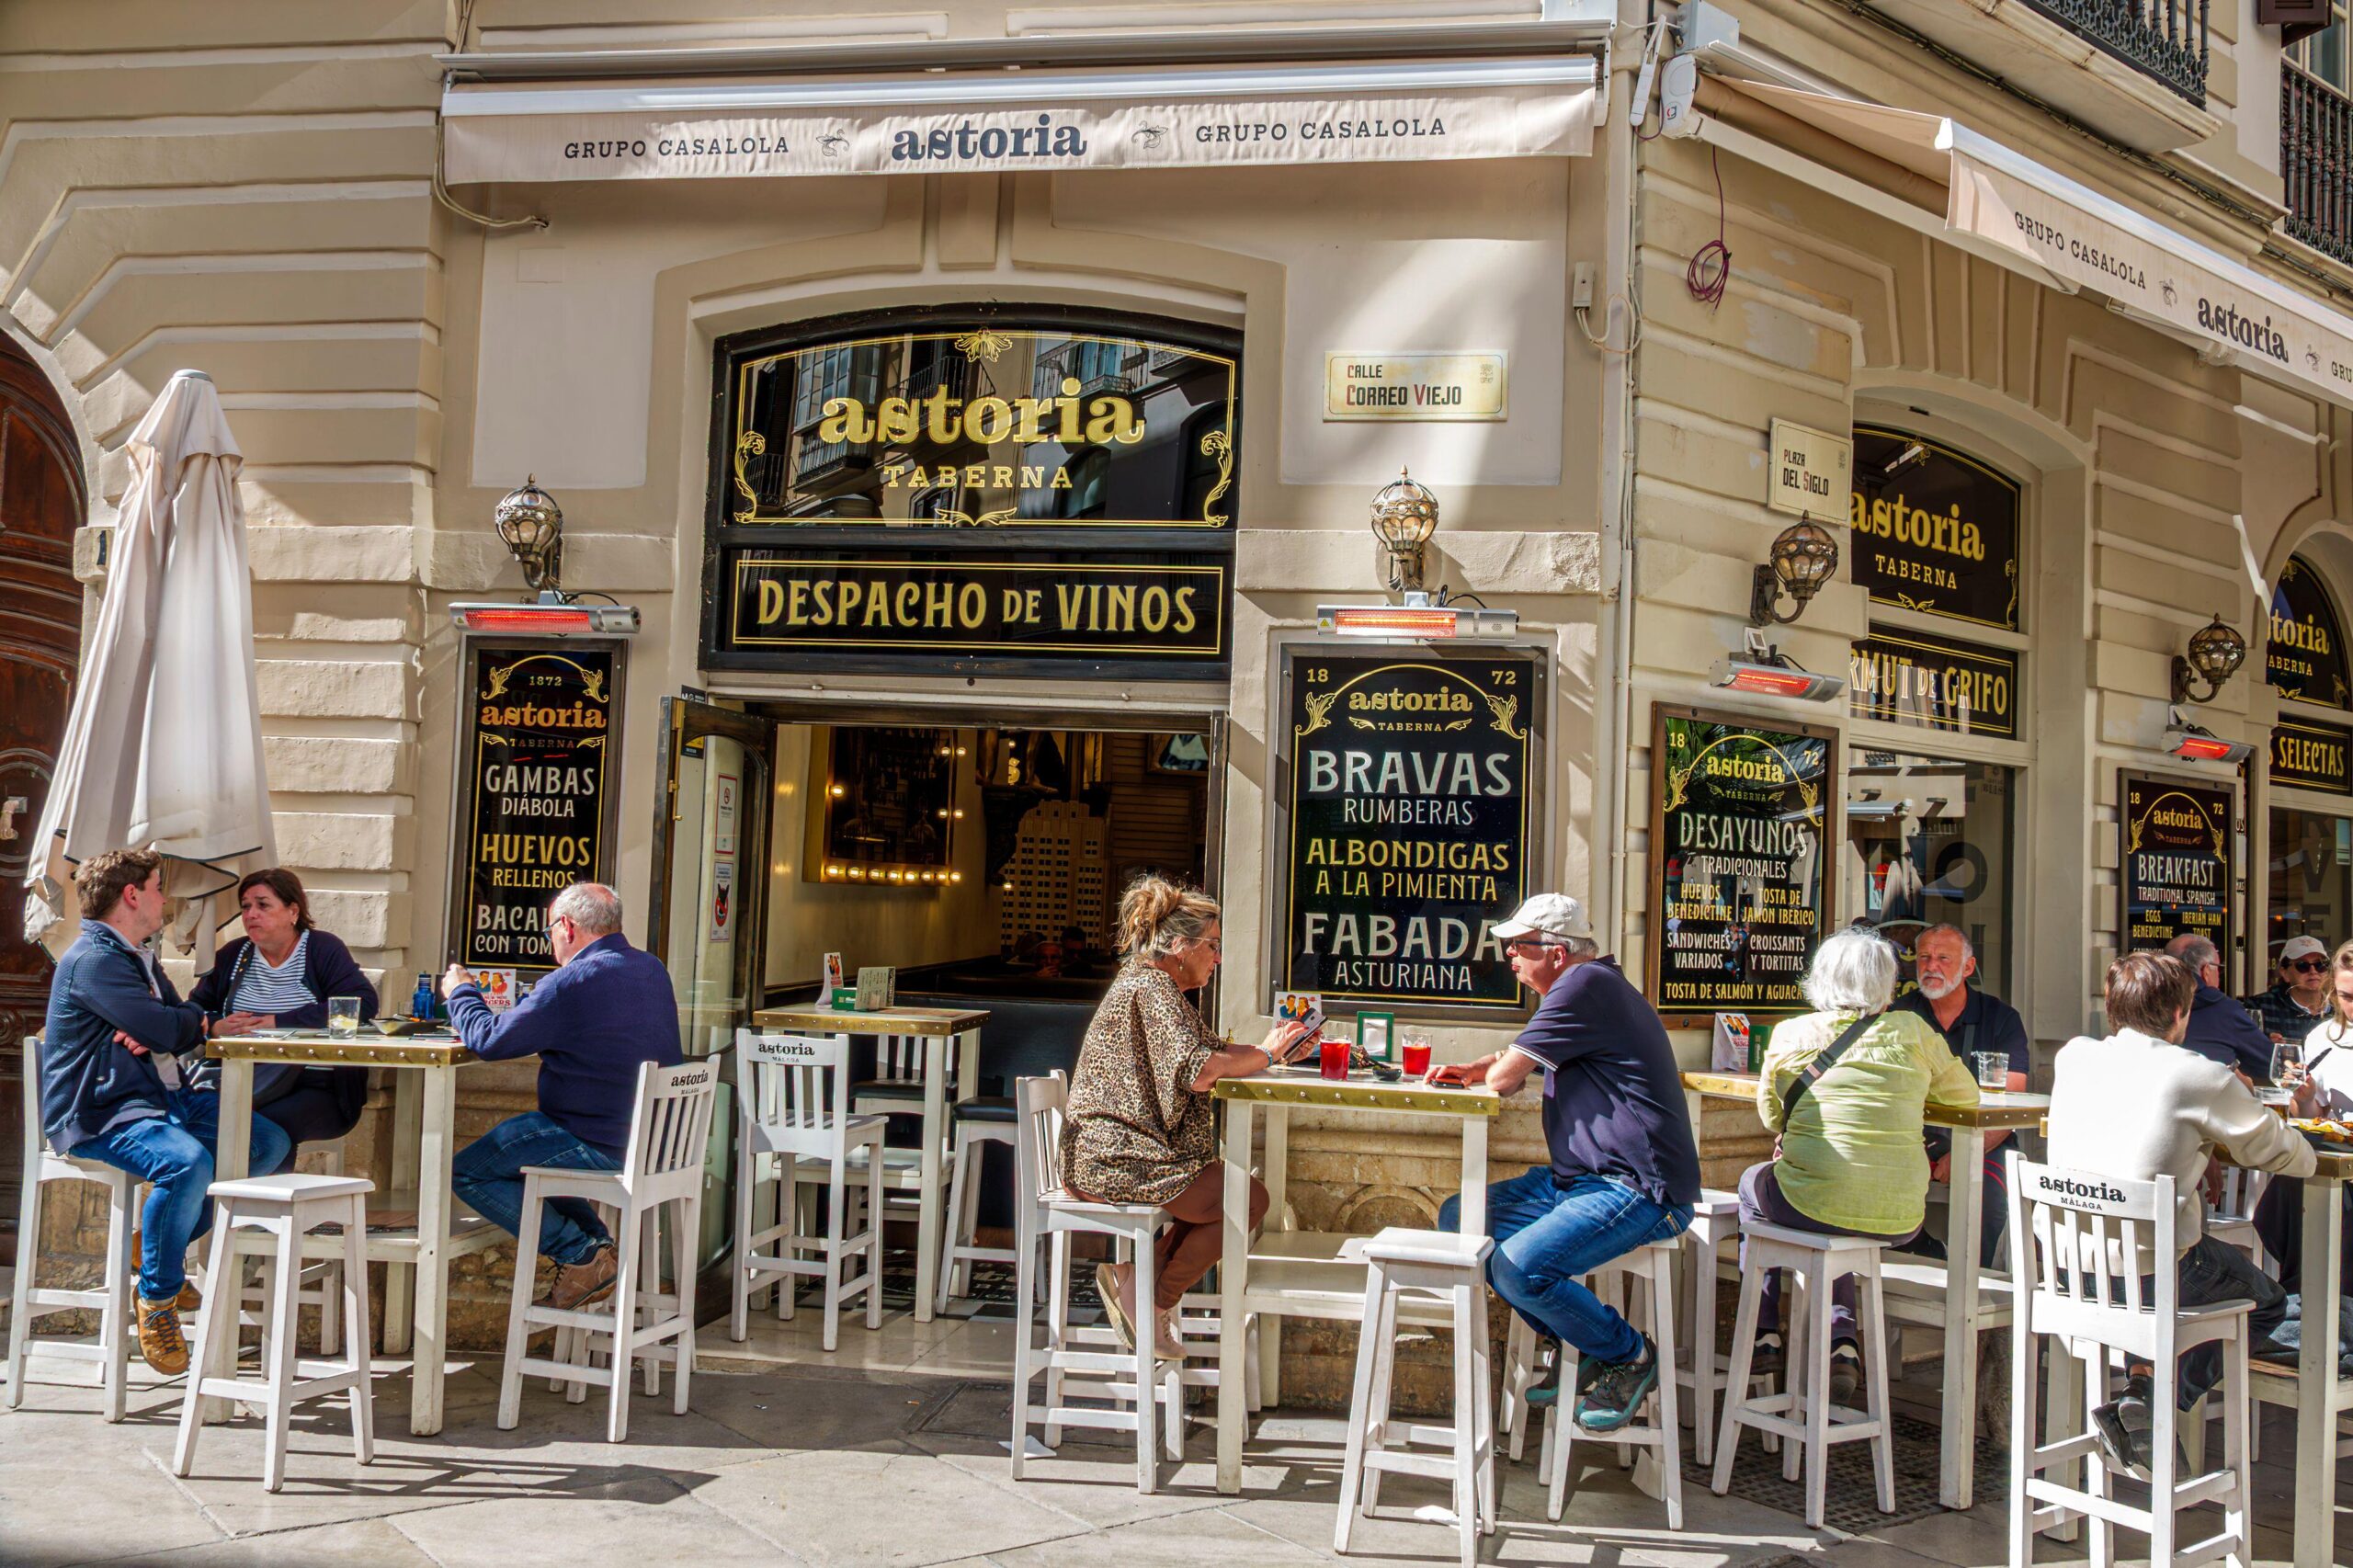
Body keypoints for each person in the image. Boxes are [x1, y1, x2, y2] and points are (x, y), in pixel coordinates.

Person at [1429, 893, 1701, 1435]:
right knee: (1460, 1218)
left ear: (1556, 952)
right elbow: (1515, 1064)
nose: (1509, 956)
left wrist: (1492, 1071)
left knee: (1518, 1268)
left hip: (1638, 1190)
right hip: (1579, 1183)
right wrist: (1480, 1066)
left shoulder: (1583, 985)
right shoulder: (1587, 988)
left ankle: (1629, 1355)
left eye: (1518, 946)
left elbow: (1505, 1079)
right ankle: (1576, 1341)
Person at [2047, 951, 2313, 1476]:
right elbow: (2294, 1157)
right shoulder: (2199, 1076)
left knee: (2165, 1265)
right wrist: (2227, 1119)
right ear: (2179, 1014)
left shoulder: (2073, 1056)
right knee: (2266, 1303)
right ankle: (2154, 1404)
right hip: (2152, 1277)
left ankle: (2141, 1392)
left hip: (2068, 1271)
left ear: (2113, 1009)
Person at [38, 848, 292, 1374]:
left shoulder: (139, 957)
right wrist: (177, 1025)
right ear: (132, 895)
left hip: (160, 1098)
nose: (165, 898)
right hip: (101, 1110)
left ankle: (155, 1250)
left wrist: (175, 1024)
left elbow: (181, 1016)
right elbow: (171, 1026)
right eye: (158, 887)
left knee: (268, 1142)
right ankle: (157, 1299)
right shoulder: (94, 960)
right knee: (187, 1164)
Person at [1061, 876, 1312, 1358]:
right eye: (1212, 946)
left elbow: (1215, 1052)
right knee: (1246, 1199)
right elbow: (1201, 1072)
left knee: (1233, 1197)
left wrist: (1277, 1052)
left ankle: (1139, 1285)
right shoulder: (1152, 987)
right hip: (1116, 1159)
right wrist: (1266, 1054)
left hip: (1123, 1153)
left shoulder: (1155, 985)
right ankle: (1154, 1299)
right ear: (1180, 946)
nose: (1218, 958)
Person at [1745, 929, 1980, 1400]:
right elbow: (1966, 1096)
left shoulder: (1791, 1032)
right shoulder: (1913, 1031)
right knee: (1841, 1223)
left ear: (1821, 979)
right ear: (1887, 982)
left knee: (1755, 1182)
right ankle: (1842, 1340)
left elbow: (1771, 1117)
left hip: (1809, 1204)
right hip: (1899, 1217)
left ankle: (1764, 1329)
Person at [444, 882, 682, 1312]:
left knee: (469, 1172)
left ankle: (582, 1254)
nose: (551, 939)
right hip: (657, 1142)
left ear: (567, 927)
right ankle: (597, 1250)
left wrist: (461, 992)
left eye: (550, 929)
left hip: (599, 1141)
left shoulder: (569, 981)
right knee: (531, 1163)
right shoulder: (651, 968)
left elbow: (490, 1040)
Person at [187, 868, 377, 1144]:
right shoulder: (233, 954)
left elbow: (362, 1005)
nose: (251, 914)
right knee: (208, 1119)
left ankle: (244, 1175)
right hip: (241, 1080)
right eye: (246, 907)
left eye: (263, 905)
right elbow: (194, 1010)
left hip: (317, 1086)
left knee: (264, 1128)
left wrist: (279, 1022)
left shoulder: (322, 949)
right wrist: (216, 1026)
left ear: (293, 912)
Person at [1890, 924, 2030, 1268]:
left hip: (1984, 1142)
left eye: (1943, 958)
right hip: (1911, 1139)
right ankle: (1910, 1269)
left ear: (1968, 967)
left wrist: (1965, 1153)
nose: (1931, 966)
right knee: (1879, 1182)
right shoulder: (1897, 1014)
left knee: (1988, 1195)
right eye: (1924, 957)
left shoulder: (2001, 1018)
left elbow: (2010, 1106)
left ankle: (1975, 1282)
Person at [2164, 934, 2274, 1081]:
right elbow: (2270, 1064)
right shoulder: (2224, 1010)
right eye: (2219, 968)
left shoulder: (2144, 999)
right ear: (2206, 970)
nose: (2220, 975)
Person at [2243, 934, 2334, 1045]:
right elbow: (2243, 1046)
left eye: (2320, 965)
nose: (2313, 971)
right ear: (2284, 973)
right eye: (2302, 965)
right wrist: (2264, 1046)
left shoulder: (2342, 1006)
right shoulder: (2259, 1006)